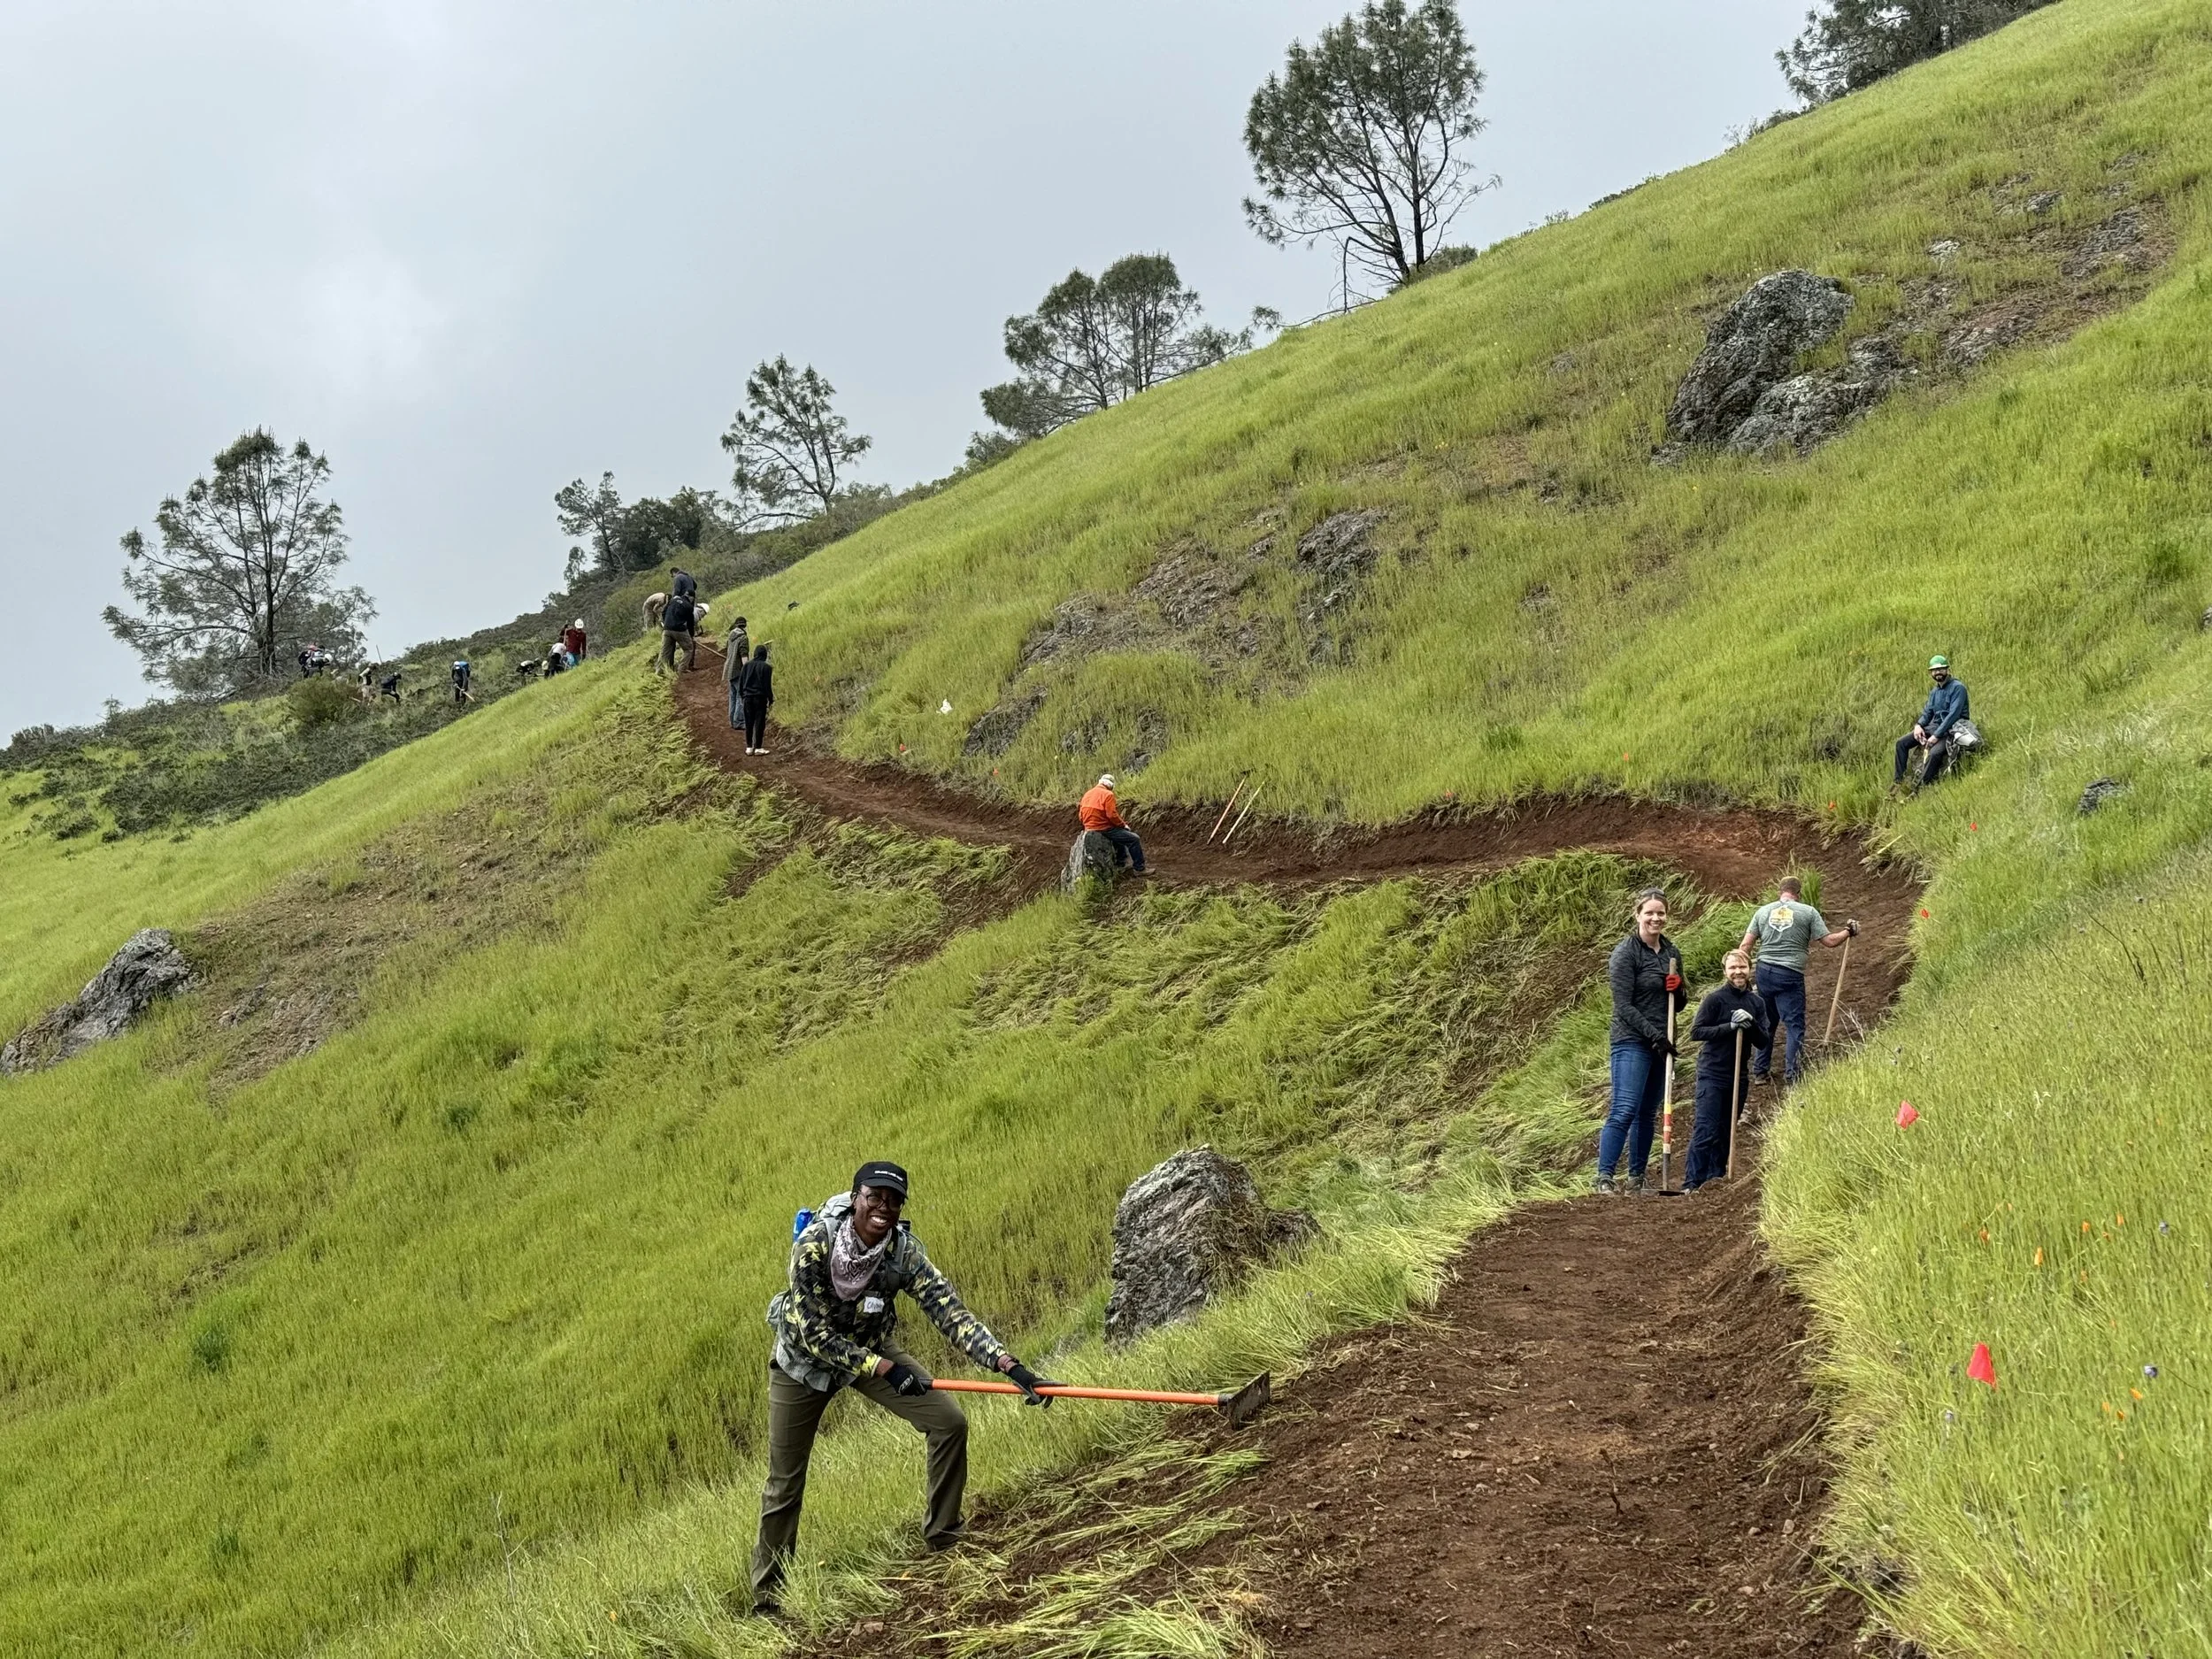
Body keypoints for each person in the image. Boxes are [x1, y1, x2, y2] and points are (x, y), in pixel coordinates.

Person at [750, 1160, 1055, 1616]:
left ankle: (944, 1534)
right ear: (856, 1198)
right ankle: (767, 1600)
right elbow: (815, 1335)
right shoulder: (814, 1246)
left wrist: (1011, 1366)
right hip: (803, 1365)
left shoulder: (902, 1253)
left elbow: (950, 1312)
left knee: (949, 1423)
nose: (883, 1208)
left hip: (871, 1350)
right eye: (874, 1197)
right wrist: (882, 1367)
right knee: (785, 1483)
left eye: (894, 1201)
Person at [1596, 888, 1683, 1195]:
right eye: (1650, 912)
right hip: (1632, 1039)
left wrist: (1678, 988)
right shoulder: (1625, 954)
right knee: (1625, 1109)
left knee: (1648, 1112)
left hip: (1662, 1042)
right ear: (1638, 915)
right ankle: (1605, 1178)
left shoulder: (1672, 953)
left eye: (1661, 913)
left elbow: (1680, 1003)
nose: (1656, 918)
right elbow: (1623, 1006)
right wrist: (1654, 1035)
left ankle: (1637, 1178)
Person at [1739, 878, 1856, 1087]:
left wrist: (1739, 972)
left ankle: (1760, 1072)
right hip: (1790, 973)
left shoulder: (1763, 912)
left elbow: (1746, 944)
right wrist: (1848, 931)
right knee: (1794, 1025)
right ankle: (1793, 1075)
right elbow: (1829, 942)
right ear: (1798, 893)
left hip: (1764, 971)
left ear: (1780, 892)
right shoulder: (1808, 912)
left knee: (1767, 1021)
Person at [1683, 950, 1771, 1191]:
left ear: (1750, 969)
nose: (1738, 972)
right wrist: (1729, 1026)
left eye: (1742, 967)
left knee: (1726, 1129)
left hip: (1738, 1076)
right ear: (1725, 971)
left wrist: (1751, 1023)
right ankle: (1692, 1182)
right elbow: (1697, 1032)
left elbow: (1763, 1041)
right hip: (1712, 1073)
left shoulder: (1757, 1003)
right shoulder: (1715, 999)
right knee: (1706, 1128)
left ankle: (1716, 1179)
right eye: (1732, 968)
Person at [1893, 656, 1969, 794]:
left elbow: (1954, 715)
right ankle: (1898, 782)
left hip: (1952, 730)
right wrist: (1918, 725)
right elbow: (1928, 712)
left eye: (1940, 669)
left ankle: (1919, 789)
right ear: (1931, 673)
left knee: (1934, 754)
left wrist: (1936, 736)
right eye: (1934, 670)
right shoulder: (1935, 692)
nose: (1937, 673)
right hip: (1934, 727)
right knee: (1901, 743)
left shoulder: (1958, 688)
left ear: (1947, 669)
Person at [1078, 774, 1146, 874]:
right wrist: (1123, 825)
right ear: (1111, 785)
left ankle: (1121, 862)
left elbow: (1081, 816)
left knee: (1118, 835)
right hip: (1102, 827)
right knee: (1134, 839)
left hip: (1089, 827)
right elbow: (1112, 815)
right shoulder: (1108, 795)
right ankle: (1139, 868)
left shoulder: (1087, 794)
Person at [737, 642, 773, 753]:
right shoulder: (767, 667)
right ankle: (758, 747)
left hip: (747, 698)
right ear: (764, 655)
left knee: (749, 722)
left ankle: (749, 747)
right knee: (759, 722)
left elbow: (741, 683)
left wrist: (742, 696)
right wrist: (771, 699)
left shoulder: (746, 666)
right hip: (760, 698)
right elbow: (767, 686)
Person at [722, 616, 751, 730]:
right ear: (745, 625)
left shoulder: (731, 635)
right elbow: (744, 656)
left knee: (733, 696)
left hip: (728, 669)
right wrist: (747, 670)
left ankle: (732, 721)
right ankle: (739, 721)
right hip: (738, 671)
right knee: (740, 696)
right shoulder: (743, 638)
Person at [658, 591, 695, 676]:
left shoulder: (672, 601)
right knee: (689, 649)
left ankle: (660, 672)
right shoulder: (688, 606)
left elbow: (663, 612)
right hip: (679, 630)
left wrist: (667, 623)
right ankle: (681, 669)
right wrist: (691, 635)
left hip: (666, 630)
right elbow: (690, 623)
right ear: (691, 597)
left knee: (664, 651)